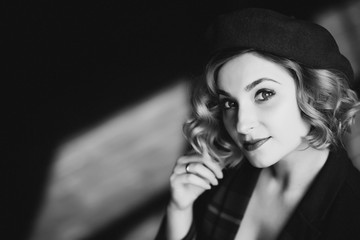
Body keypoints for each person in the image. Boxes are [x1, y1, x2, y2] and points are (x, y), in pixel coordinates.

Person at [155, 8, 360, 240]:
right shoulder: (220, 175)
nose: (242, 125)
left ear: (314, 94)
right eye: (229, 104)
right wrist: (179, 210)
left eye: (264, 94)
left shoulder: (352, 215)